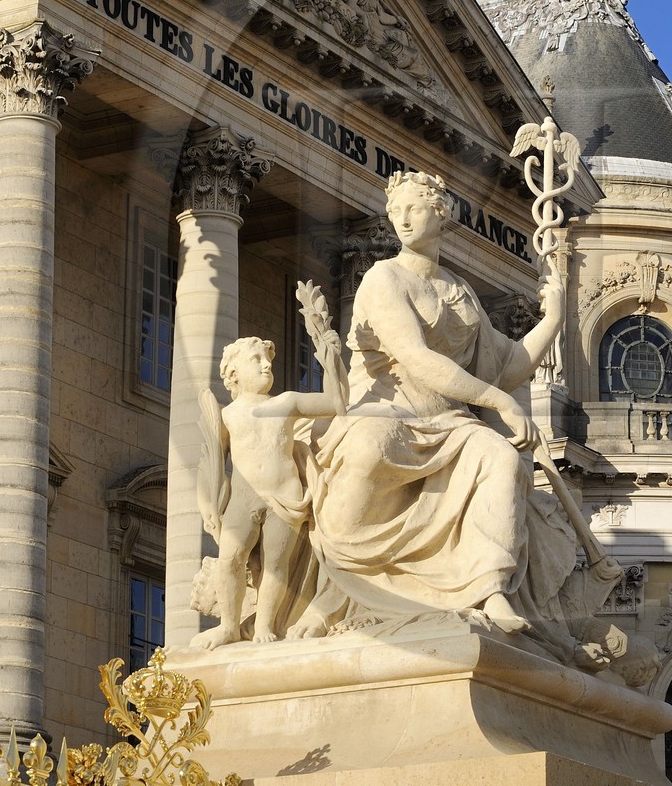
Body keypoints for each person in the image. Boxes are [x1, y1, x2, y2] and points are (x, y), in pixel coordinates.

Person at [309, 171, 566, 634]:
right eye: (395, 211)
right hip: (387, 408)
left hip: (449, 420)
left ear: (440, 213)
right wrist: (500, 404)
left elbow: (505, 367)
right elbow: (415, 357)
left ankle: (490, 588)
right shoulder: (382, 278)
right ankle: (339, 576)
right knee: (372, 446)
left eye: (413, 209)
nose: (401, 219)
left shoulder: (460, 291)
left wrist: (554, 318)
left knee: (501, 459)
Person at [191, 334, 342, 649]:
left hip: (284, 497)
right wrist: (207, 502)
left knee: (276, 564)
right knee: (230, 558)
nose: (266, 366)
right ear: (233, 373)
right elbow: (212, 462)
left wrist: (330, 359)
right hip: (242, 499)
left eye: (268, 360)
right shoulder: (227, 415)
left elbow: (335, 403)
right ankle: (229, 627)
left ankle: (264, 624)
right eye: (256, 360)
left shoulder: (285, 402)